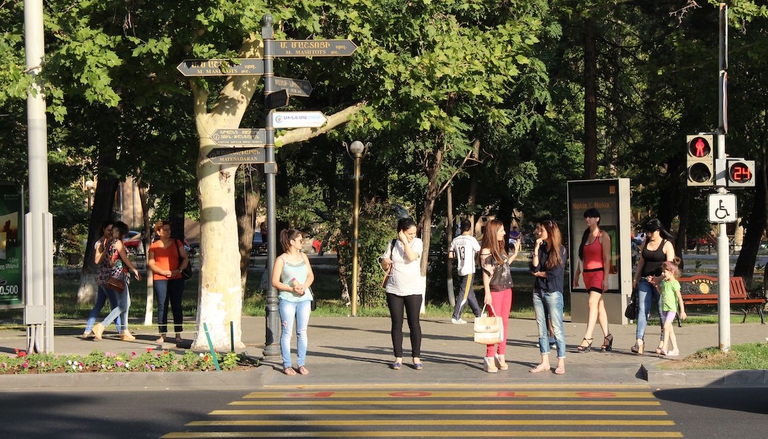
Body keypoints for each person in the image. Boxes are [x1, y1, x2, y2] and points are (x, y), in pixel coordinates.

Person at [380, 217, 425, 371]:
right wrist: (385, 262)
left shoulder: (417, 243)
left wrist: (406, 242)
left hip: (413, 289)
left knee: (414, 323)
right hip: (394, 289)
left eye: (414, 233)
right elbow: (385, 261)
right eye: (409, 233)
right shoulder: (392, 244)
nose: (412, 235)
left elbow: (412, 257)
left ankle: (416, 357)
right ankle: (398, 357)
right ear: (401, 231)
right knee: (396, 323)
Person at [272, 228, 315, 376]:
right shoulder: (281, 260)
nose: (302, 242)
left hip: (304, 299)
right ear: (291, 242)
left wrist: (305, 286)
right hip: (287, 300)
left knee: (302, 332)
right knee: (287, 332)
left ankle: (301, 363)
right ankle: (287, 364)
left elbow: (310, 276)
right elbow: (275, 282)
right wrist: (291, 289)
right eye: (299, 240)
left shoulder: (304, 257)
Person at [479, 219, 520, 373]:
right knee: (493, 324)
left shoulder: (500, 249)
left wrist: (514, 255)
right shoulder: (486, 251)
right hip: (495, 290)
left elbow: (503, 265)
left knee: (504, 323)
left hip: (506, 288)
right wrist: (487, 293)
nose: (504, 233)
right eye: (501, 230)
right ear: (493, 232)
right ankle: (489, 357)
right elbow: (486, 274)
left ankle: (501, 354)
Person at [529, 218, 568, 375]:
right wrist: (536, 249)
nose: (539, 232)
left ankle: (561, 362)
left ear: (550, 232)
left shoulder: (561, 250)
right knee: (541, 328)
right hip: (538, 291)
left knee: (557, 328)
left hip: (553, 292)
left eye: (542, 230)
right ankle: (544, 361)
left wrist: (540, 274)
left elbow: (554, 273)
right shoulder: (542, 247)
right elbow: (534, 267)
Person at [92, 221, 142, 341]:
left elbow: (110, 262)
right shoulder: (118, 242)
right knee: (123, 305)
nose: (126, 235)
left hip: (114, 274)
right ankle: (102, 325)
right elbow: (124, 258)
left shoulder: (109, 243)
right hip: (120, 275)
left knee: (126, 304)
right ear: (121, 232)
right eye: (125, 233)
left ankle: (125, 331)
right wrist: (134, 269)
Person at [632, 218, 675, 355]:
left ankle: (663, 341)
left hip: (661, 282)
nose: (648, 235)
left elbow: (671, 267)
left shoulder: (666, 245)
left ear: (658, 231)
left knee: (663, 311)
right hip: (645, 280)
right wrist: (636, 278)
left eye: (651, 232)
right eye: (647, 232)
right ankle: (639, 341)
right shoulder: (645, 242)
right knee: (642, 310)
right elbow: (641, 262)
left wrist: (659, 278)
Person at [572, 208, 613, 352]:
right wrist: (577, 274)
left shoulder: (603, 236)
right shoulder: (586, 235)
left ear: (597, 219)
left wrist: (606, 279)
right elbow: (581, 258)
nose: (587, 219)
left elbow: (607, 259)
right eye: (586, 217)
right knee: (599, 305)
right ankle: (608, 336)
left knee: (591, 302)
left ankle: (587, 337)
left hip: (599, 274)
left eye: (590, 217)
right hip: (587, 274)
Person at [147, 221, 189, 344]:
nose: (167, 232)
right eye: (165, 230)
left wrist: (179, 270)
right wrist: (163, 272)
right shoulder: (154, 246)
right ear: (158, 232)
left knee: (176, 305)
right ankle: (162, 334)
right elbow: (151, 263)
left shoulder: (177, 243)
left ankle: (178, 334)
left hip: (176, 277)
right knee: (162, 306)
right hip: (160, 279)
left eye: (168, 229)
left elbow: (185, 258)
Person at [83, 220, 121, 338]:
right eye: (108, 230)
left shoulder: (114, 242)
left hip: (110, 275)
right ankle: (121, 331)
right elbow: (97, 260)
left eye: (112, 230)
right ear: (104, 230)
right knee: (116, 305)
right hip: (105, 277)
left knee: (99, 304)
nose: (110, 232)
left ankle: (87, 330)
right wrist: (106, 249)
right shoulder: (100, 243)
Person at [449, 219, 482, 324]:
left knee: (469, 291)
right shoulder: (471, 240)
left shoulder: (455, 240)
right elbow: (479, 251)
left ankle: (478, 313)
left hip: (461, 268)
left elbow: (450, 255)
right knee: (464, 292)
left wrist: (458, 256)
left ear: (460, 228)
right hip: (469, 269)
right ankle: (456, 315)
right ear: (470, 228)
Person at [653, 258, 686, 356]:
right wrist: (656, 286)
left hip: (672, 310)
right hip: (664, 309)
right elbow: (661, 292)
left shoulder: (675, 284)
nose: (663, 274)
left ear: (672, 272)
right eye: (662, 272)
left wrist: (682, 311)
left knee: (665, 326)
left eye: (665, 272)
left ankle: (664, 346)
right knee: (670, 330)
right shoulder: (665, 282)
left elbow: (680, 298)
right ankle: (675, 349)